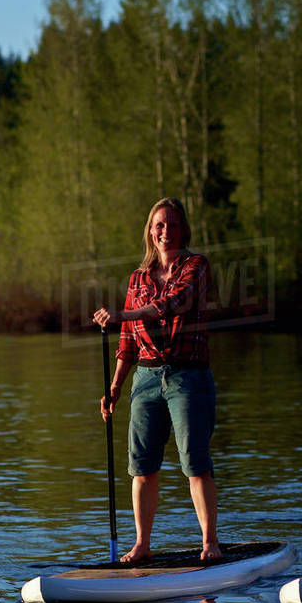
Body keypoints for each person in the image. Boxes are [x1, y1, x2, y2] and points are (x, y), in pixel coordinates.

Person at [92, 197, 220, 563]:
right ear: (151, 231)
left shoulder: (196, 265)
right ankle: (141, 545)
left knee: (195, 462)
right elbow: (128, 341)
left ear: (183, 230)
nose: (166, 232)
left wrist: (122, 313)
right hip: (146, 378)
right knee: (142, 466)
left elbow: (173, 304)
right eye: (159, 225)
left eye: (173, 225)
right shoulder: (138, 277)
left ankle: (210, 542)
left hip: (188, 377)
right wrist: (114, 388)